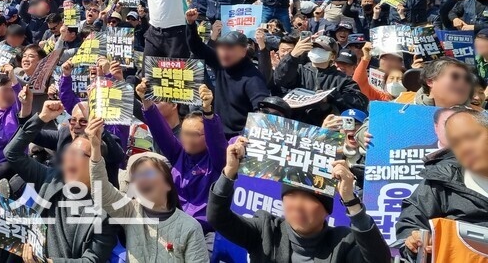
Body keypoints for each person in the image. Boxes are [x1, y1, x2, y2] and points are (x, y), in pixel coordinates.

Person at [207, 137, 391, 263]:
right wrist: (229, 172)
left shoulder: (343, 241)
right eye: (292, 196)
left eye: (308, 199)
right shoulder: (266, 230)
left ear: (326, 210)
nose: (297, 206)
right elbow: (217, 217)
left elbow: (380, 260)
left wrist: (351, 201)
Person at [5, 100, 118, 263]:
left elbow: (92, 260)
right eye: (68, 152)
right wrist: (41, 118)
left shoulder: (107, 210)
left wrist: (48, 262)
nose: (67, 157)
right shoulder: (51, 178)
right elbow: (12, 153)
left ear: (96, 162)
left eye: (77, 153)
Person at [87, 117, 209, 263]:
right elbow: (101, 192)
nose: (142, 180)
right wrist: (95, 147)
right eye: (136, 176)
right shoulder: (130, 211)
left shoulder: (190, 227)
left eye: (149, 173)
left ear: (168, 184)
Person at [396, 109, 488, 258]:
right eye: (456, 143)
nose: (466, 147)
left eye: (471, 137)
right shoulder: (439, 181)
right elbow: (411, 224)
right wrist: (414, 241)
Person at [139, 83, 226, 238]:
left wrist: (208, 111)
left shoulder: (218, 161)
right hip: (173, 224)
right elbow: (160, 130)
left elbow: (217, 140)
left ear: (207, 136)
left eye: (193, 134)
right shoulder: (179, 153)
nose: (187, 139)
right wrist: (146, 100)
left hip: (203, 233)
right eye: (184, 133)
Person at [186, 9, 270, 137]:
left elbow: (261, 109)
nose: (224, 53)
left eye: (230, 49)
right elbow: (197, 47)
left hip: (239, 138)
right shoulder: (220, 62)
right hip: (218, 132)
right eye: (222, 48)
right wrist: (191, 24)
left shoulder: (253, 77)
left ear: (243, 51)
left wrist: (246, 137)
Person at [274, 35, 368, 127]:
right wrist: (292, 56)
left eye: (322, 49)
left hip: (325, 130)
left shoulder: (342, 79)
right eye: (314, 47)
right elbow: (280, 79)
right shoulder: (298, 70)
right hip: (294, 125)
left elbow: (359, 103)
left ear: (332, 56)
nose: (316, 51)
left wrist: (332, 96)